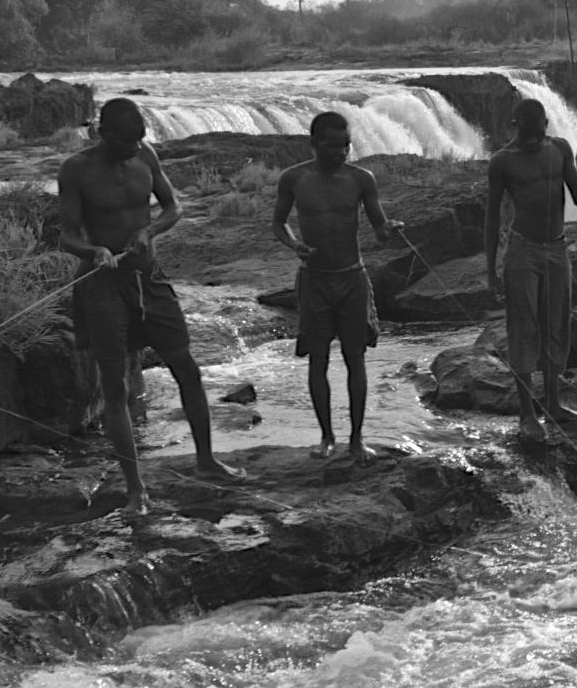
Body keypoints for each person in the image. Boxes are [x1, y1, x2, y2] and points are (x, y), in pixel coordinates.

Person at [59, 98, 245, 516]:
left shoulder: (145, 154)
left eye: (138, 140)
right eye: (126, 141)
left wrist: (149, 230)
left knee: (188, 370)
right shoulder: (77, 170)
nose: (133, 148)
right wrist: (94, 251)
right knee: (115, 386)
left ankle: (207, 460)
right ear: (103, 133)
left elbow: (173, 207)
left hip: (150, 278)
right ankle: (135, 489)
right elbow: (67, 235)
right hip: (104, 286)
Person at [272, 111, 402, 461]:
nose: (341, 153)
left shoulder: (361, 179)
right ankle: (327, 437)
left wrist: (390, 230)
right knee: (318, 361)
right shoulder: (294, 179)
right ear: (313, 145)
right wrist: (294, 244)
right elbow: (279, 223)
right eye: (332, 146)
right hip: (314, 281)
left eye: (346, 145)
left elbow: (379, 228)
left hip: (352, 279)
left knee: (355, 358)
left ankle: (357, 438)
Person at [483, 98, 577, 442]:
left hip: (557, 248)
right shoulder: (502, 162)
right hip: (523, 250)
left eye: (538, 132)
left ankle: (554, 404)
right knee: (524, 326)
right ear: (515, 127)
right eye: (526, 134)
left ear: (546, 125)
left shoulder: (559, 148)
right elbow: (492, 216)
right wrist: (490, 269)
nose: (532, 140)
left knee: (557, 322)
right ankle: (527, 414)